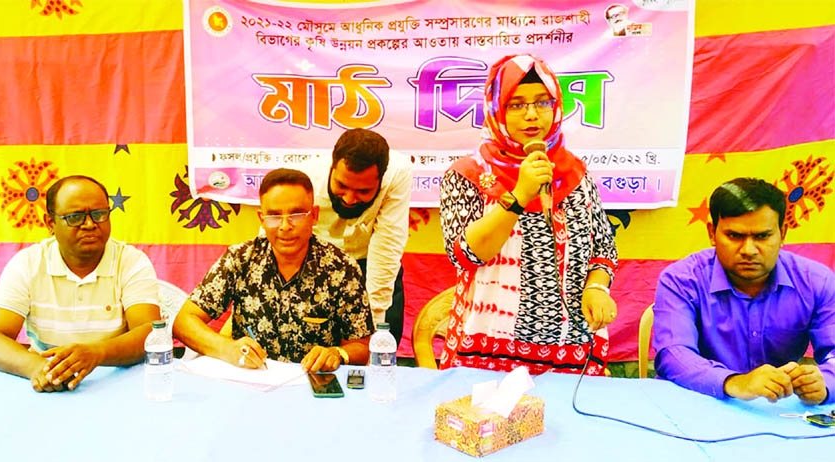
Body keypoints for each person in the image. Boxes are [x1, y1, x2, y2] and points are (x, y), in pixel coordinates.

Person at [439, 54, 619, 376]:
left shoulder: (575, 174)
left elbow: (603, 249)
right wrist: (520, 195)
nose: (532, 115)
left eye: (542, 102)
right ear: (496, 110)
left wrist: (597, 287)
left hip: (571, 354)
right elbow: (466, 255)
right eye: (516, 105)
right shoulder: (467, 175)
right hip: (489, 355)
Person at [653, 178, 835, 405]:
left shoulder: (816, 281)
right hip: (694, 404)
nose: (749, 250)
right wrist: (735, 382)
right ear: (712, 233)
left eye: (762, 236)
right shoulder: (681, 280)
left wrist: (825, 383)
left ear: (782, 234)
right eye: (735, 236)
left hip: (776, 412)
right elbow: (674, 354)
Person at [173, 168, 374, 373]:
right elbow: (183, 322)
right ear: (261, 218)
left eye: (296, 214)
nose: (285, 226)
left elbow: (363, 346)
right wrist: (226, 348)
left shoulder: (342, 269)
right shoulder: (241, 259)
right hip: (250, 383)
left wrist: (338, 353)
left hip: (313, 386)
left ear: (314, 215)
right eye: (274, 215)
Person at [0, 175, 161, 392]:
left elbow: (149, 332)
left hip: (117, 381)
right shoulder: (28, 263)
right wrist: (36, 366)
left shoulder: (130, 261)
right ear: (50, 223)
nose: (89, 225)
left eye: (99, 214)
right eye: (75, 217)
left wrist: (97, 353)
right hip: (49, 381)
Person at [298, 128, 411, 345]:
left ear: (381, 179)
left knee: (383, 339)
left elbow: (387, 246)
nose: (350, 198)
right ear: (332, 167)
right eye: (342, 186)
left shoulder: (397, 173)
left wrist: (373, 340)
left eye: (363, 191)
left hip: (370, 263)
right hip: (318, 267)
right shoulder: (306, 178)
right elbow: (273, 243)